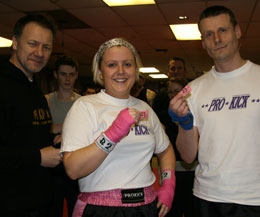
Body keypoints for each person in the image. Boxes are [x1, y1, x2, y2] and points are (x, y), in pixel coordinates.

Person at [60, 38, 176, 217]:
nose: (121, 71)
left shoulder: (145, 108)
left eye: (127, 64)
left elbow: (165, 148)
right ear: (100, 72)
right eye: (112, 64)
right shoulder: (85, 106)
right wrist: (113, 133)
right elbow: (73, 169)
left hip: (146, 206)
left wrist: (168, 183)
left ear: (136, 71)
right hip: (100, 208)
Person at [168, 5, 260, 217]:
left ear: (237, 32)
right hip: (208, 197)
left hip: (254, 197)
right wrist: (184, 122)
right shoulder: (193, 90)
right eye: (209, 34)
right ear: (203, 43)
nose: (217, 39)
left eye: (223, 30)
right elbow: (188, 156)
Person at [0, 13, 61, 217]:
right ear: (15, 43)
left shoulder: (34, 88)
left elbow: (27, 136)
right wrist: (38, 157)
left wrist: (55, 140)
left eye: (46, 47)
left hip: (39, 202)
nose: (39, 52)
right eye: (33, 44)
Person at [45, 55, 81, 217]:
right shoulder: (46, 100)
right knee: (53, 210)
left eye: (71, 74)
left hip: (76, 165)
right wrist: (67, 128)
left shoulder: (83, 103)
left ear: (76, 75)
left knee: (76, 209)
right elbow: (41, 130)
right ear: (55, 75)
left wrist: (60, 130)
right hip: (52, 167)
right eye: (63, 74)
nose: (67, 79)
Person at [161, 78, 197, 217]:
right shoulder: (164, 115)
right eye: (169, 92)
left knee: (191, 209)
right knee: (173, 210)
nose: (172, 94)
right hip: (173, 171)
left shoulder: (194, 112)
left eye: (176, 91)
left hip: (193, 172)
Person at [153, 57, 187, 121]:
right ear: (168, 72)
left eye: (179, 68)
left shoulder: (192, 91)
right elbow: (155, 116)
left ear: (185, 71)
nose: (176, 71)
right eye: (173, 69)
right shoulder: (161, 95)